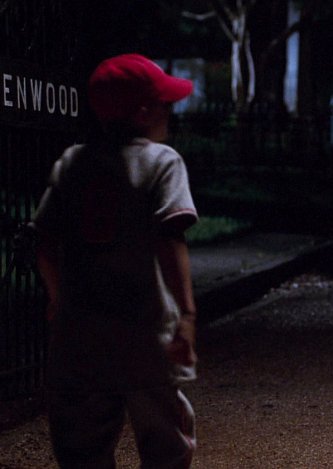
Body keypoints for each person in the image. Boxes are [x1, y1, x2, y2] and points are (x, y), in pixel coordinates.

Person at [34, 53, 199, 468]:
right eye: (164, 103)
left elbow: (43, 241)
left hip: (80, 339)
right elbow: (170, 238)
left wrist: (58, 297)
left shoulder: (72, 163)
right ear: (143, 112)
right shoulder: (162, 161)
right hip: (146, 334)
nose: (170, 111)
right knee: (166, 443)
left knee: (82, 447)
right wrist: (187, 314)